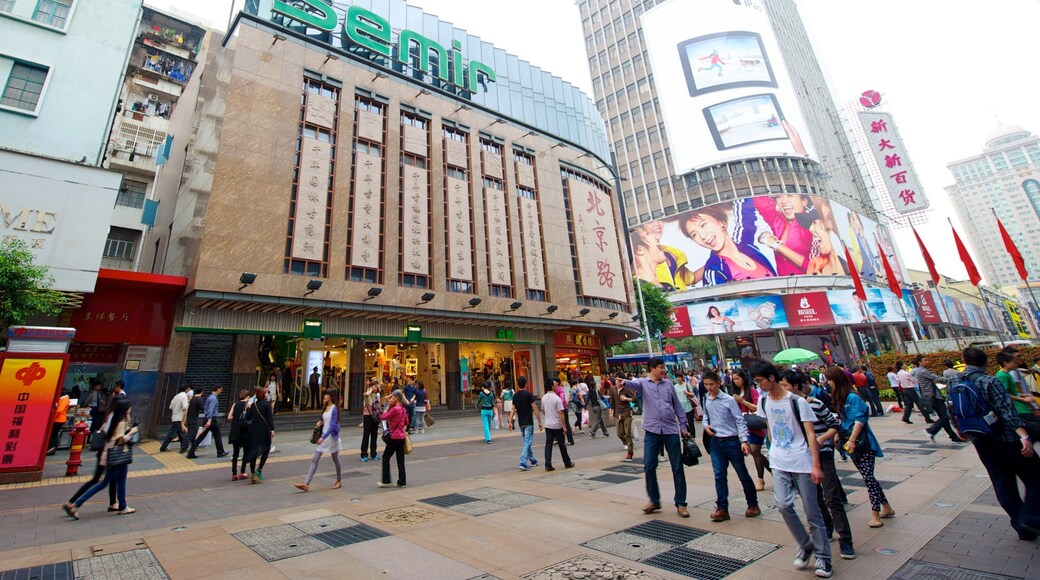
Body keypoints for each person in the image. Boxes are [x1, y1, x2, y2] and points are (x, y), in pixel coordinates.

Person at [750, 360, 832, 578]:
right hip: (778, 461)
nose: (759, 386)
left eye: (760, 381)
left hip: (801, 461)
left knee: (812, 512)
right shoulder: (764, 401)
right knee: (783, 505)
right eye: (756, 382)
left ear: (771, 378)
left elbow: (811, 434)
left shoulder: (797, 402)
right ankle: (806, 544)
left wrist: (815, 465)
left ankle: (824, 558)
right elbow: (769, 427)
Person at [954, 347, 1039, 541]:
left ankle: (1022, 526)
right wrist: (1024, 436)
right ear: (986, 362)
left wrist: (960, 430)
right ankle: (1031, 518)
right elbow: (1006, 411)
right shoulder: (990, 380)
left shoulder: (954, 381)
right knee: (1035, 475)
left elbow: (954, 408)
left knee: (1002, 482)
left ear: (964, 360)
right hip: (1006, 439)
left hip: (980, 439)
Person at [786, 370, 855, 560]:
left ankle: (846, 540)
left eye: (785, 386)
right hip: (803, 458)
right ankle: (826, 528)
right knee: (813, 500)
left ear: (796, 386)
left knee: (832, 497)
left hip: (823, 455)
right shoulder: (787, 407)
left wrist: (823, 438)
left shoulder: (814, 404)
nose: (782, 390)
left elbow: (834, 424)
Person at [825, 367, 894, 529]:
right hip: (850, 442)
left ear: (838, 379)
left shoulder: (853, 397)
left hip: (863, 443)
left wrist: (853, 440)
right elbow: (843, 419)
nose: (828, 383)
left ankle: (875, 514)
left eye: (830, 379)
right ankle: (887, 507)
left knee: (868, 478)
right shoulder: (839, 397)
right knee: (868, 476)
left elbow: (859, 420)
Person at [621, 357, 691, 518]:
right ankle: (654, 500)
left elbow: (677, 406)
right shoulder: (643, 384)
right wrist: (622, 382)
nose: (663, 370)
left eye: (664, 367)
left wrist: (683, 425)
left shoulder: (668, 385)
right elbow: (631, 383)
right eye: (661, 367)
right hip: (652, 432)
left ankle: (681, 503)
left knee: (677, 468)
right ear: (652, 368)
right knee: (649, 465)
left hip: (670, 431)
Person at [63, 399, 138, 519]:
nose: (130, 409)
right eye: (129, 408)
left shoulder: (114, 419)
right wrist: (132, 432)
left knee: (104, 483)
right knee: (119, 481)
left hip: (109, 455)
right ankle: (122, 506)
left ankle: (76, 504)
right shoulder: (120, 422)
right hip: (118, 455)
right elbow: (119, 440)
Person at [701, 370, 760, 522]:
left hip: (732, 441)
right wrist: (706, 426)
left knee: (742, 474)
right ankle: (722, 508)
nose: (709, 387)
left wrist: (744, 441)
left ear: (718, 383)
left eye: (711, 384)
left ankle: (753, 504)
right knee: (719, 475)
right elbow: (706, 417)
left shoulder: (728, 400)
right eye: (706, 384)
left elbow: (739, 420)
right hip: (716, 442)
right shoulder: (706, 398)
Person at [680, 200, 777, 285]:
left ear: (722, 222)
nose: (702, 236)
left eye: (703, 225)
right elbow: (718, 304)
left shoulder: (747, 247)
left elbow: (746, 213)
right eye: (694, 234)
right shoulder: (714, 270)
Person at [754, 194, 814, 276]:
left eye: (790, 195)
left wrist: (776, 245)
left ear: (804, 202)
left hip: (810, 285)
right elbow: (762, 203)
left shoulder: (813, 225)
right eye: (779, 196)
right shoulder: (778, 221)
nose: (784, 201)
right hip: (786, 286)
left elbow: (815, 267)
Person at [295, 390, 343, 492]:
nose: (324, 396)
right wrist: (320, 423)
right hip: (323, 436)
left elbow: (333, 425)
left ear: (330, 396)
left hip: (331, 437)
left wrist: (323, 437)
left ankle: (339, 480)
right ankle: (306, 483)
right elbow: (324, 420)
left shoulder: (334, 408)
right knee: (315, 459)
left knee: (335, 459)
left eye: (326, 395)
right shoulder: (325, 407)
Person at [731, 369, 768, 491]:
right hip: (743, 426)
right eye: (734, 379)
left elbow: (757, 408)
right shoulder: (733, 393)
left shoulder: (752, 392)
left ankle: (760, 479)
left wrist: (743, 401)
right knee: (754, 452)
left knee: (755, 450)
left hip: (755, 425)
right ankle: (772, 470)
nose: (736, 381)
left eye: (738, 378)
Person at [914, 357, 959, 442]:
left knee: (943, 417)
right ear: (919, 362)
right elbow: (938, 378)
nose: (927, 361)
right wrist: (955, 379)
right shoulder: (923, 371)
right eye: (925, 360)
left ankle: (953, 436)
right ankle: (930, 430)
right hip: (934, 397)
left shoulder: (918, 371)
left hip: (930, 396)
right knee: (945, 417)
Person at [508, 376, 542, 471]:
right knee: (528, 442)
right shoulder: (529, 395)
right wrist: (539, 421)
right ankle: (523, 462)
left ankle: (533, 460)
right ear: (526, 384)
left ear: (518, 385)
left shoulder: (515, 396)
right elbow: (535, 408)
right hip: (528, 422)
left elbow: (512, 409)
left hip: (521, 422)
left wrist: (510, 422)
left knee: (527, 441)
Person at [541, 378, 574, 471]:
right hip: (557, 425)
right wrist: (564, 426)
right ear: (552, 386)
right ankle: (567, 462)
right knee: (562, 445)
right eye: (554, 385)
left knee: (548, 445)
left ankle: (548, 464)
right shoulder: (557, 399)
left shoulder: (543, 398)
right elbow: (561, 413)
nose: (556, 386)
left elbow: (543, 411)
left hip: (548, 425)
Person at [243, 386, 275, 483]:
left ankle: (252, 473)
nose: (267, 394)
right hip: (264, 429)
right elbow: (269, 418)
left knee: (254, 449)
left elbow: (248, 417)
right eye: (266, 392)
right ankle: (259, 470)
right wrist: (272, 429)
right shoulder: (267, 405)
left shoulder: (253, 405)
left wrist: (248, 408)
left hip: (254, 429)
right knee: (266, 448)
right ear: (264, 394)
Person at [378, 390, 409, 488]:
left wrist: (387, 406)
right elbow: (407, 422)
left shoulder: (395, 409)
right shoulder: (403, 409)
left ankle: (386, 481)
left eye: (392, 397)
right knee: (400, 459)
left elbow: (383, 417)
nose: (391, 399)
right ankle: (402, 481)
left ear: (396, 398)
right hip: (401, 437)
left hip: (394, 437)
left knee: (386, 457)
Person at [187, 387, 229, 459]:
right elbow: (210, 409)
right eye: (221, 389)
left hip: (207, 419)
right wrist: (209, 420)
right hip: (211, 420)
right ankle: (220, 451)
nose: (221, 391)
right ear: (218, 389)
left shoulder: (210, 397)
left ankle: (190, 452)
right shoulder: (213, 398)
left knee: (202, 436)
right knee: (217, 435)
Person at [610, 375, 637, 462]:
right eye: (616, 381)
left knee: (627, 433)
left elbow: (635, 399)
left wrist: (626, 399)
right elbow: (612, 402)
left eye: (618, 381)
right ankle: (628, 443)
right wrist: (611, 413)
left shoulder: (627, 389)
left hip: (626, 413)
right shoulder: (613, 389)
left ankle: (630, 452)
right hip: (618, 414)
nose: (617, 383)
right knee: (619, 433)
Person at [227, 389, 250, 481]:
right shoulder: (248, 405)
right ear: (247, 396)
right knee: (246, 452)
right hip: (244, 431)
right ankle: (243, 472)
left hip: (235, 431)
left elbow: (229, 417)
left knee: (235, 453)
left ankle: (234, 473)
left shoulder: (235, 404)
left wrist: (236, 418)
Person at [159, 384, 190, 452]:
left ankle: (183, 447)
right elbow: (185, 408)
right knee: (180, 433)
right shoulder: (184, 396)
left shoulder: (176, 396)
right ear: (186, 389)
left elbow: (171, 407)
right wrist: (184, 421)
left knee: (179, 433)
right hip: (179, 418)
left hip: (174, 417)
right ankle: (164, 447)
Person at [361, 380, 381, 461]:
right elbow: (366, 395)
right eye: (374, 386)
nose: (376, 387)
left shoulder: (378, 395)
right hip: (367, 416)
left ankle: (373, 453)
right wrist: (370, 390)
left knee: (374, 435)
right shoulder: (367, 394)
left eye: (377, 386)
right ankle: (364, 454)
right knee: (366, 435)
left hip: (375, 416)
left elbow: (379, 406)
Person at [183, 388, 203, 454]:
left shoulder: (192, 399)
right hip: (194, 419)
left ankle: (193, 446)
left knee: (193, 433)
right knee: (191, 434)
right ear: (202, 392)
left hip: (189, 419)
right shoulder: (199, 399)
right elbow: (202, 408)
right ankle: (184, 447)